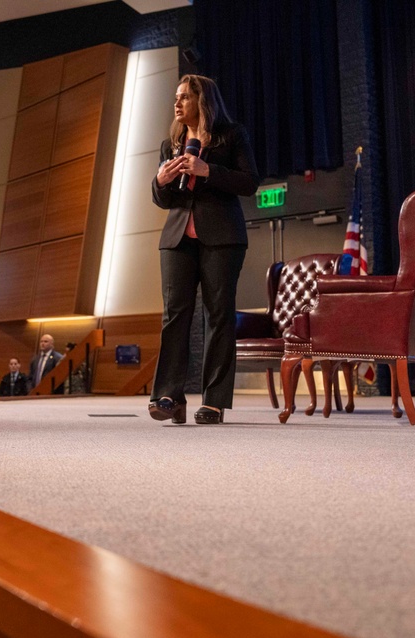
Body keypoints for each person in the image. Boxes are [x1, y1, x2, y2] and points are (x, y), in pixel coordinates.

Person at [148, 74, 260, 425]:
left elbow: (249, 182)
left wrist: (208, 169)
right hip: (177, 238)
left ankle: (213, 401)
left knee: (219, 315)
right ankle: (168, 396)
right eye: (176, 97)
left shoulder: (232, 135)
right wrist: (160, 181)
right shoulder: (171, 144)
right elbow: (163, 199)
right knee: (175, 316)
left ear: (202, 101)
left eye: (184, 97)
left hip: (222, 237)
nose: (177, 103)